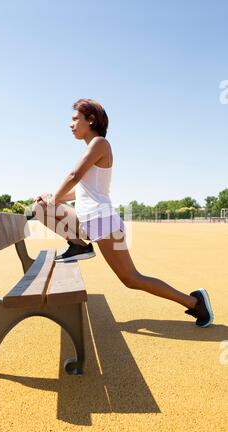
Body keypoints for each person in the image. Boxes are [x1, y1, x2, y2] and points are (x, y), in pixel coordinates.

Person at [31, 98, 213, 328]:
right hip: (89, 221)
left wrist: (54, 199)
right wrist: (49, 199)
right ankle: (79, 245)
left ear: (91, 120)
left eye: (75, 119)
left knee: (131, 279)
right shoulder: (92, 148)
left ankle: (194, 301)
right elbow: (80, 190)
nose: (71, 124)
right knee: (39, 208)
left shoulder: (100, 143)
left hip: (104, 222)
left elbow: (74, 175)